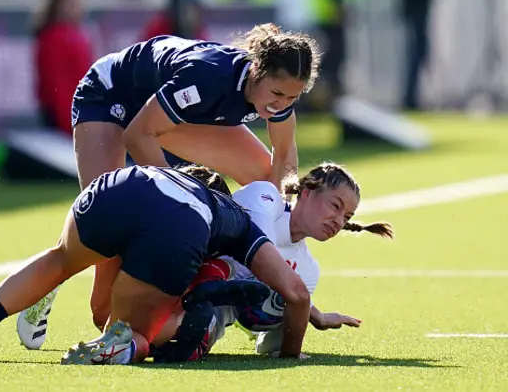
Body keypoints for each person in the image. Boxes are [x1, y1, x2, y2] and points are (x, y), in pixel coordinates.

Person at [32, 22, 321, 336]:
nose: (280, 105)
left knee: (265, 180)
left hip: (168, 111)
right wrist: (179, 208)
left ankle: (242, 281)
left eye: (291, 99)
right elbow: (138, 135)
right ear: (257, 69)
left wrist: (277, 226)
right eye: (277, 93)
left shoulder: (276, 98)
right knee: (109, 229)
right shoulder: (208, 78)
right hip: (111, 95)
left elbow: (284, 154)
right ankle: (45, 283)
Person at [0, 165, 312, 364]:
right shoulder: (236, 220)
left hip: (123, 184)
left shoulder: (172, 181)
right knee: (140, 333)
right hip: (180, 224)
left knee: (60, 258)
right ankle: (122, 349)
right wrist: (292, 353)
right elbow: (294, 293)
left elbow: (99, 307)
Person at [150, 162, 394, 361]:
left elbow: (271, 343)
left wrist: (291, 340)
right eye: (335, 206)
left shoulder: (308, 270)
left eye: (347, 216)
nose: (339, 221)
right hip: (173, 278)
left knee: (187, 340)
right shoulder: (265, 198)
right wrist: (311, 311)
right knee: (154, 330)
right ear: (307, 192)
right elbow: (262, 257)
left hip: (208, 319)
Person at [33, 0, 94, 134]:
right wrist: (70, 122)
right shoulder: (53, 38)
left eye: (79, 2)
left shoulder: (78, 35)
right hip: (63, 118)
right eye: (71, 3)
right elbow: (57, 86)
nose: (78, 8)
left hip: (80, 113)